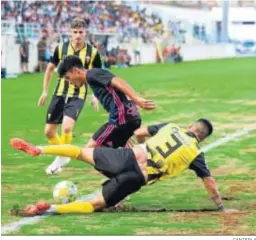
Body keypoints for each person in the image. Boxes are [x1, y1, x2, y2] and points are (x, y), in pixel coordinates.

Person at [10, 118, 229, 216]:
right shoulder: (196, 154)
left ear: (190, 127)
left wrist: (139, 146)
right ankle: (51, 208)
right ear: (203, 138)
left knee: (79, 152)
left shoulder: (172, 127)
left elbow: (140, 132)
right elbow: (209, 182)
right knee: (96, 204)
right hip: (137, 178)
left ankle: (40, 149)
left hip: (127, 156)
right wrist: (219, 206)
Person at [37, 17, 102, 175]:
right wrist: (45, 90)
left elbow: (99, 75)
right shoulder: (61, 48)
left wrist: (95, 96)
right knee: (49, 132)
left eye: (81, 32)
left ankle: (62, 156)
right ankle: (63, 155)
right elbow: (50, 68)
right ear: (70, 33)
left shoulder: (92, 53)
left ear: (85, 33)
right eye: (75, 32)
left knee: (66, 127)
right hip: (59, 93)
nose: (78, 35)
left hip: (78, 95)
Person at [58, 55, 154, 152]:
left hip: (121, 120)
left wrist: (136, 99)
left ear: (75, 70)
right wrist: (124, 133)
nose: (70, 82)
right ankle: (142, 159)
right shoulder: (92, 77)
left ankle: (145, 158)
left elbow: (119, 82)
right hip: (127, 119)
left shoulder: (91, 75)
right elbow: (120, 90)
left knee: (89, 150)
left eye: (68, 77)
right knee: (116, 153)